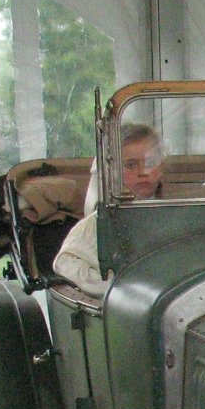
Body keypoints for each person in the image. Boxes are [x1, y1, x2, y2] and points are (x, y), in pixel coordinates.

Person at [52, 123, 164, 297]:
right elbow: (65, 262)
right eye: (131, 165)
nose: (143, 172)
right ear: (113, 171)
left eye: (150, 163)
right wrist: (116, 289)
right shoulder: (98, 223)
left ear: (161, 168)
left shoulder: (174, 214)